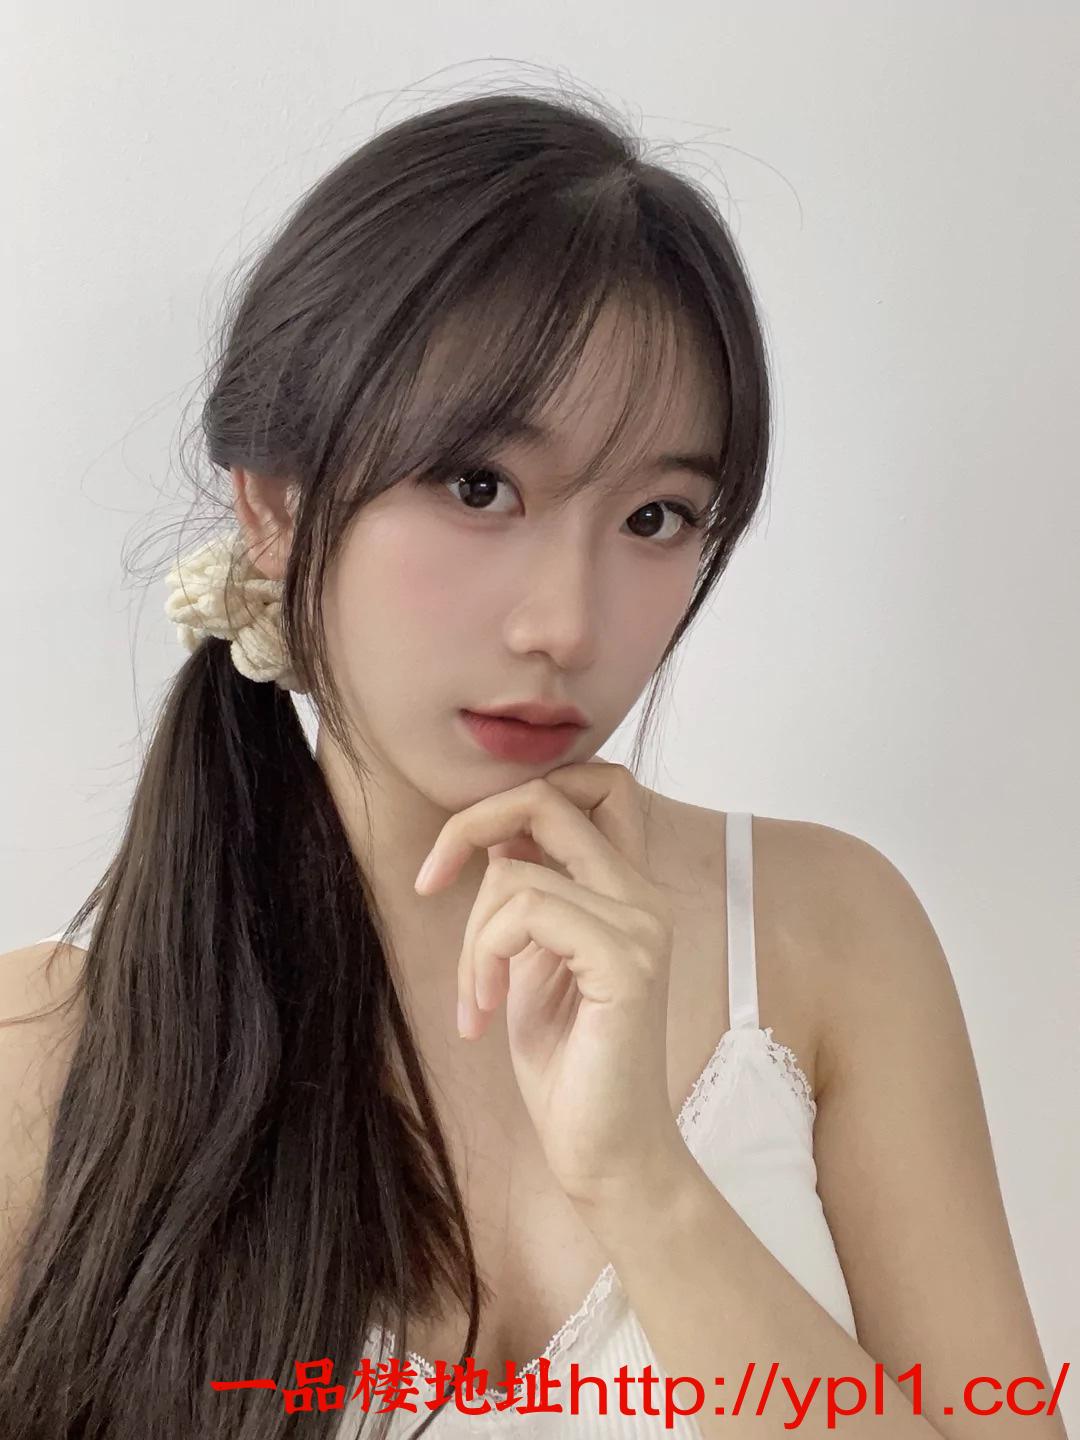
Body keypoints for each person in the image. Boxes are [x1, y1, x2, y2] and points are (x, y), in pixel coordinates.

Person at [0, 89, 1065, 1440]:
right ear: (274, 503)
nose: (565, 625)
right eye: (478, 487)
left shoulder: (821, 936)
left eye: (657, 516)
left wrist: (644, 1183)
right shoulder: (45, 1057)